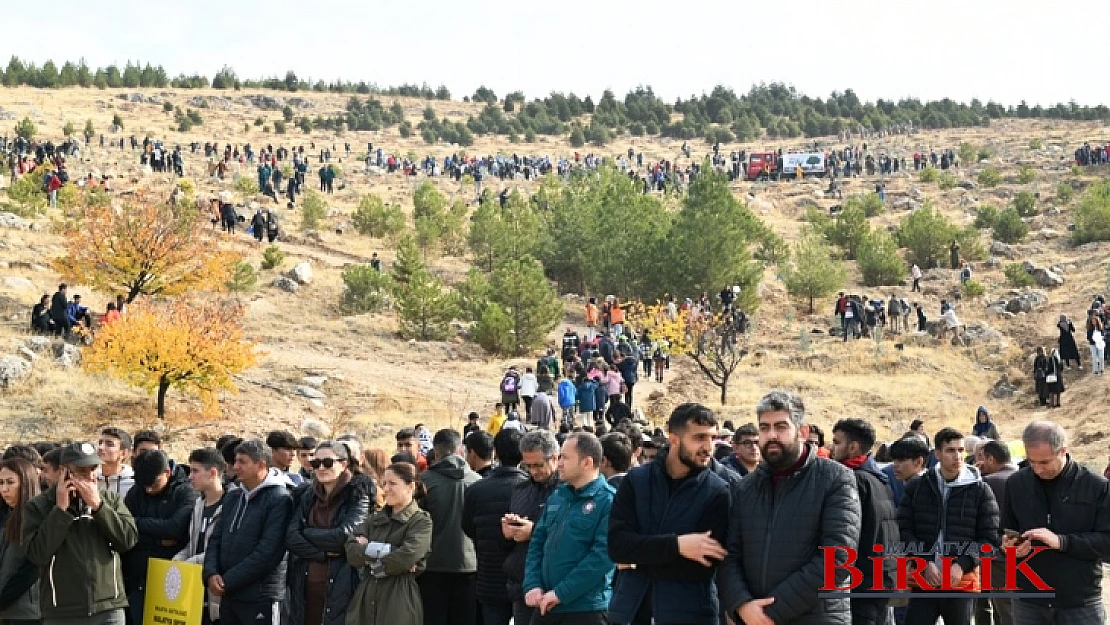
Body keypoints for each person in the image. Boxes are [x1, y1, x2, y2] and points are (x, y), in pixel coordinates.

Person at [719, 390, 861, 625]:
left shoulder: (835, 479)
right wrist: (742, 605)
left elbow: (837, 558)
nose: (771, 435)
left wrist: (767, 614)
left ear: (802, 432)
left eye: (781, 427)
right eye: (764, 428)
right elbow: (730, 555)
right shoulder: (745, 488)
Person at [608, 403, 731, 625]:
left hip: (689, 613)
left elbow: (701, 567)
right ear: (673, 438)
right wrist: (678, 546)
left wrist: (639, 556)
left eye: (712, 438)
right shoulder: (636, 481)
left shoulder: (718, 492)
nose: (708, 447)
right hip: (630, 611)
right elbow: (617, 547)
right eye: (699, 438)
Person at [1001, 421, 1110, 625]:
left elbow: (1107, 542)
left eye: (1044, 462)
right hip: (1028, 598)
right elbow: (1006, 529)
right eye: (1031, 461)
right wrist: (1009, 547)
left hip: (1079, 601)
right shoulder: (1016, 483)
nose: (1037, 469)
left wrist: (1062, 542)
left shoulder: (1096, 487)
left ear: (1063, 451)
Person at [23, 442, 139, 625]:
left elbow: (128, 540)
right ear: (63, 472)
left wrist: (99, 508)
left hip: (108, 608)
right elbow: (37, 554)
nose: (91, 476)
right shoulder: (38, 507)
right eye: (82, 471)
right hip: (62, 611)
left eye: (93, 469)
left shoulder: (110, 500)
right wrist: (60, 511)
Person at [897, 427, 999, 625]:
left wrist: (962, 564)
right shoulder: (918, 487)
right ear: (937, 454)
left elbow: (990, 539)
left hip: (961, 582)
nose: (958, 456)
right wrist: (924, 561)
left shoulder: (980, 489)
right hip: (923, 580)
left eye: (961, 450)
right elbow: (903, 530)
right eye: (950, 450)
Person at [523, 433, 615, 625]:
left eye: (565, 457)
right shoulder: (558, 497)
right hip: (546, 605)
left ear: (587, 463)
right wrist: (532, 584)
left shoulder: (608, 501)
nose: (560, 463)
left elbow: (601, 557)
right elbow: (537, 542)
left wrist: (561, 593)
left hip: (585, 610)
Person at [202, 440, 294, 625]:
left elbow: (268, 553)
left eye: (242, 462)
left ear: (261, 464)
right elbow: (215, 539)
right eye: (235, 461)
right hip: (230, 595)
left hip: (260, 597)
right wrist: (211, 573)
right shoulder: (233, 497)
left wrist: (227, 580)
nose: (235, 467)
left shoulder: (279, 499)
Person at [286, 441, 370, 625]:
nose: (321, 468)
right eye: (316, 463)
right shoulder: (307, 494)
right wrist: (321, 554)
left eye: (328, 463)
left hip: (344, 582)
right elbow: (291, 537)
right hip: (305, 583)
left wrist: (306, 532)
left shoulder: (358, 494)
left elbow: (344, 537)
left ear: (344, 464)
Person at [345, 462, 432, 625]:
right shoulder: (374, 518)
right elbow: (351, 550)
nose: (385, 489)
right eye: (384, 483)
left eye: (392, 483)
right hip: (366, 594)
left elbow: (407, 556)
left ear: (410, 486)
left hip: (399, 596)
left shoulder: (421, 521)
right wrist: (390, 551)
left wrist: (368, 552)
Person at [830, 419, 898, 625]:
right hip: (881, 579)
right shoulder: (879, 479)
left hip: (861, 583)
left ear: (853, 447)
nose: (832, 448)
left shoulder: (853, 480)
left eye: (836, 442)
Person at [461, 429, 527, 625]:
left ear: (496, 453)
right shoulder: (531, 488)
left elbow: (467, 527)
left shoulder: (477, 489)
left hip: (488, 575)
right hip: (524, 578)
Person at [124, 450, 198, 625]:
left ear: (167, 472)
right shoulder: (137, 492)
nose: (148, 489)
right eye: (144, 484)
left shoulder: (185, 491)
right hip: (138, 577)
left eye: (153, 483)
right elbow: (124, 528)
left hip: (173, 578)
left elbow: (175, 529)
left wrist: (137, 523)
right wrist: (157, 539)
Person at [417, 430, 481, 625]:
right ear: (460, 450)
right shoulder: (477, 481)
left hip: (432, 564)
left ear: (436, 453)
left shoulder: (424, 482)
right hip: (470, 564)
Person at [504, 431, 561, 625]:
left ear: (554, 458)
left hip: (556, 587)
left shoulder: (568, 490)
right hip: (523, 584)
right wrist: (508, 530)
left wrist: (533, 531)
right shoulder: (520, 490)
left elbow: (571, 533)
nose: (533, 471)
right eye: (528, 466)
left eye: (538, 465)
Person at [173, 449, 227, 625]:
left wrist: (192, 562)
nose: (190, 477)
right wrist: (178, 559)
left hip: (217, 591)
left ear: (212, 473)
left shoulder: (231, 505)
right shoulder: (198, 504)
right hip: (194, 590)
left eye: (195, 471)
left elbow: (223, 548)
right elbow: (193, 543)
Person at [974, 440, 1017, 625]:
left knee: (992, 604)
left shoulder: (987, 482)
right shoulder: (1026, 479)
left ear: (990, 458)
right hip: (1023, 552)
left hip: (993, 556)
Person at [0, 458, 41, 625]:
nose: (4, 489)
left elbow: (31, 569)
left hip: (28, 611)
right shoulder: (7, 515)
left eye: (10, 482)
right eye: (1, 482)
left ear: (26, 483)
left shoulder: (37, 516)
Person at [97, 427, 135, 497]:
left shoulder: (133, 484)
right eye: (100, 443)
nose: (100, 447)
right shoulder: (92, 480)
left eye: (109, 444)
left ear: (124, 453)